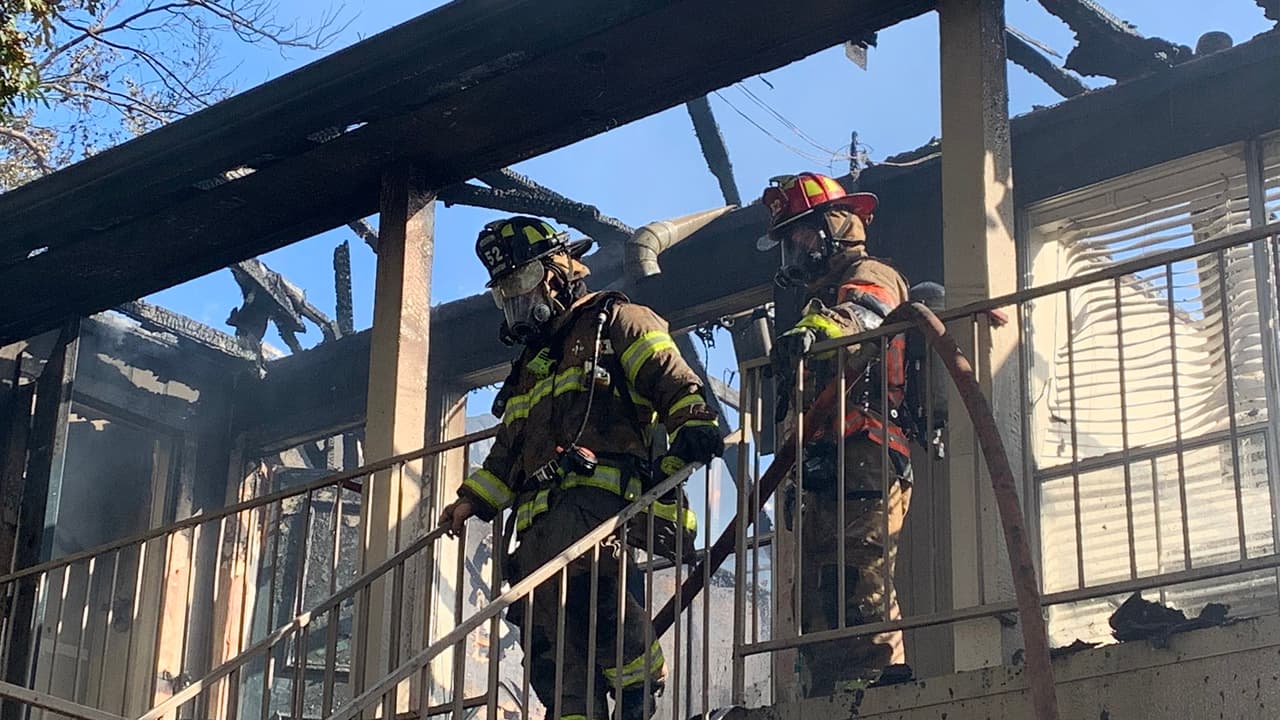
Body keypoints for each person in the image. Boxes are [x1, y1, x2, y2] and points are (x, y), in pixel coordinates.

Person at [438, 216, 724, 720]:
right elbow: (508, 449)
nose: (516, 299)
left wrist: (694, 425)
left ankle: (639, 696)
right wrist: (473, 499)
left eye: (522, 281)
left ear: (559, 271)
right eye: (505, 291)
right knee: (547, 643)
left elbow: (671, 379)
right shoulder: (531, 366)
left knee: (599, 609)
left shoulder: (617, 321)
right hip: (536, 528)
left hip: (597, 512)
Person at [757, 172, 913, 696]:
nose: (796, 250)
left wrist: (817, 332)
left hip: (865, 453)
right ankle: (828, 691)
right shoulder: (815, 301)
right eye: (789, 242)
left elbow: (863, 316)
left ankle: (875, 683)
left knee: (860, 571)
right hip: (825, 463)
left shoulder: (872, 274)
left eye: (801, 234)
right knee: (819, 589)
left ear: (835, 226)